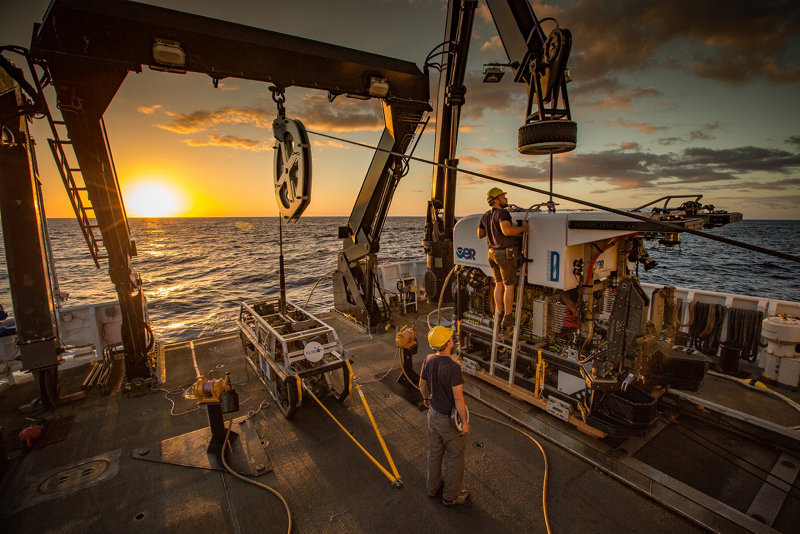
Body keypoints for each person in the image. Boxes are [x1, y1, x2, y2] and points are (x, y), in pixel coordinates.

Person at [419, 325, 470, 506]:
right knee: (455, 457)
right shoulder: (453, 368)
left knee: (434, 453)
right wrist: (464, 422)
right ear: (447, 343)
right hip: (448, 422)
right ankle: (451, 496)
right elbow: (458, 398)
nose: (453, 341)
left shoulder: (428, 359)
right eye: (451, 339)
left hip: (433, 416)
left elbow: (422, 384)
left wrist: (426, 398)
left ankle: (432, 488)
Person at [477, 187, 528, 329]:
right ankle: (507, 317)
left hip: (491, 254)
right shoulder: (503, 213)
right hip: (504, 253)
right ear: (496, 200)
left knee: (498, 285)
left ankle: (498, 314)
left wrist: (491, 229)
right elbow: (507, 230)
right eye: (503, 197)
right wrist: (523, 229)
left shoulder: (486, 215)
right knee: (509, 286)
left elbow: (479, 234)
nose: (506, 199)